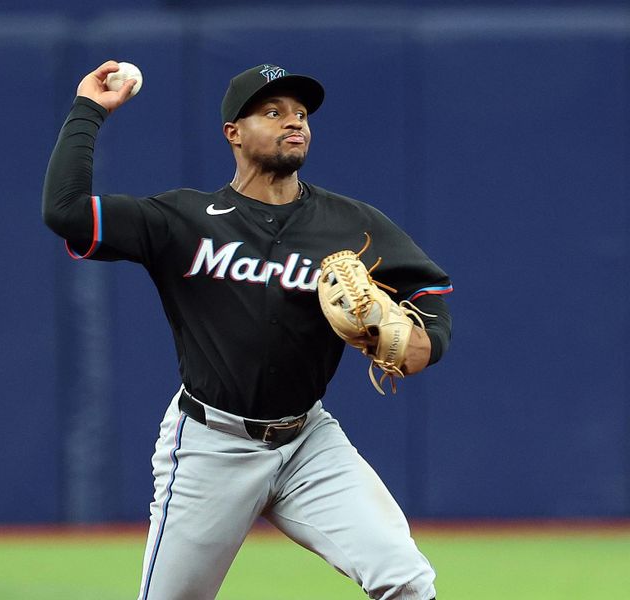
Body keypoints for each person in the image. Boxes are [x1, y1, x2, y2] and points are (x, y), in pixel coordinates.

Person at [43, 60, 452, 600]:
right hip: (212, 444)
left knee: (407, 580)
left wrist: (417, 340)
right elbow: (66, 211)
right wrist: (89, 110)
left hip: (308, 442)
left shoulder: (353, 224)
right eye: (273, 111)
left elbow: (430, 300)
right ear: (232, 133)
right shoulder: (183, 219)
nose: (294, 122)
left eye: (301, 113)